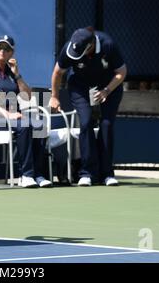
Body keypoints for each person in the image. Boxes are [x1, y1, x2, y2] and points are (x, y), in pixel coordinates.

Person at [49, 26, 127, 186]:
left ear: (90, 45)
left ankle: (107, 174)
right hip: (80, 85)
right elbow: (58, 72)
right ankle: (87, 173)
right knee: (85, 123)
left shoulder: (108, 44)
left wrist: (106, 91)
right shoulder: (70, 47)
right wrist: (54, 96)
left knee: (106, 124)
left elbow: (122, 72)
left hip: (109, 85)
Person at [0, 35, 53, 188]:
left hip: (15, 119)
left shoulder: (12, 72)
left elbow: (27, 95)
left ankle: (38, 174)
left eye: (7, 49)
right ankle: (26, 175)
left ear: (12, 52)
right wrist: (7, 114)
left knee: (39, 125)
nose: (2, 51)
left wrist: (17, 74)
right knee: (24, 125)